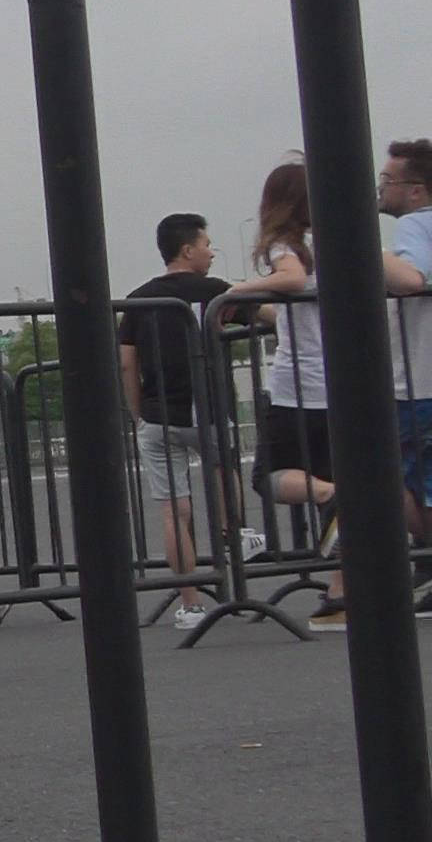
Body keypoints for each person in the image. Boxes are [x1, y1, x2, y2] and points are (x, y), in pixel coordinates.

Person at [221, 160, 340, 626]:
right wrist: (260, 311)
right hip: (340, 381)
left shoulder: (286, 246)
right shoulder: (329, 243)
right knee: (334, 481)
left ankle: (334, 495)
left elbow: (290, 279)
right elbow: (298, 307)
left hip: (299, 387)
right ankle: (341, 595)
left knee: (267, 476)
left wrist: (239, 290)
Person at [117, 212, 231, 635]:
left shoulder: (138, 299)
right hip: (207, 407)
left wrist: (137, 410)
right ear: (187, 250)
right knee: (223, 472)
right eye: (206, 244)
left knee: (173, 510)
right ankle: (236, 537)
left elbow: (126, 362)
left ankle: (191, 602)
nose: (211, 252)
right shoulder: (214, 292)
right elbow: (268, 316)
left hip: (158, 414)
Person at [378, 137, 432, 547]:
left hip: (419, 381)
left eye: (386, 180)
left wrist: (368, 246)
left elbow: (412, 278)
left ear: (416, 191)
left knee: (410, 481)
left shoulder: (415, 225)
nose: (380, 189)